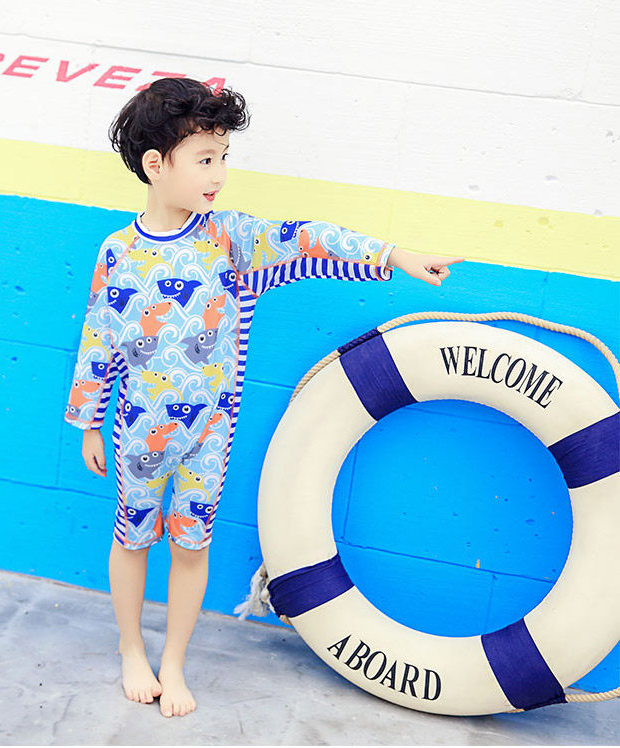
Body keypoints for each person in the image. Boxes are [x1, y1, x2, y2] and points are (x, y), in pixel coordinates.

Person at [64, 77, 464, 718]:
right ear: (156, 165)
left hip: (209, 433)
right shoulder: (118, 253)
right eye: (205, 159)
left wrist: (394, 256)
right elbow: (99, 337)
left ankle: (175, 661)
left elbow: (309, 239)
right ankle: (132, 648)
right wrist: (88, 421)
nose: (219, 174)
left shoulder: (231, 239)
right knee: (132, 537)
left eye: (223, 157)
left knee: (192, 545)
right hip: (138, 429)